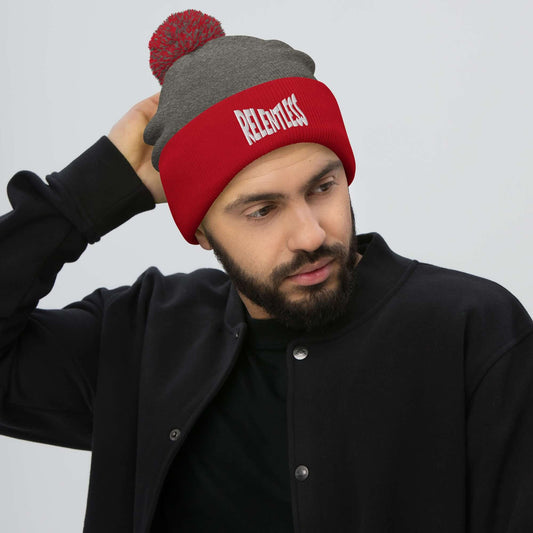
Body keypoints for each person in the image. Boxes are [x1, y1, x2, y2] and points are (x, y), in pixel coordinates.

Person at [1, 9, 532, 533]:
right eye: (262, 210)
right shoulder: (143, 335)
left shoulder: (471, 330)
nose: (310, 235)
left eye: (322, 188)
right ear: (201, 231)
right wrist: (85, 196)